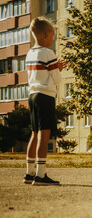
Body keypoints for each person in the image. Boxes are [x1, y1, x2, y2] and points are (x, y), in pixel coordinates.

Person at [24, 17, 66, 185]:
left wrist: (55, 68)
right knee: (44, 133)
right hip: (45, 96)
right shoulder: (48, 53)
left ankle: (29, 172)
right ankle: (40, 175)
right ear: (47, 34)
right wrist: (59, 68)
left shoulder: (30, 53)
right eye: (53, 35)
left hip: (32, 95)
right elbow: (56, 79)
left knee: (34, 133)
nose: (53, 39)